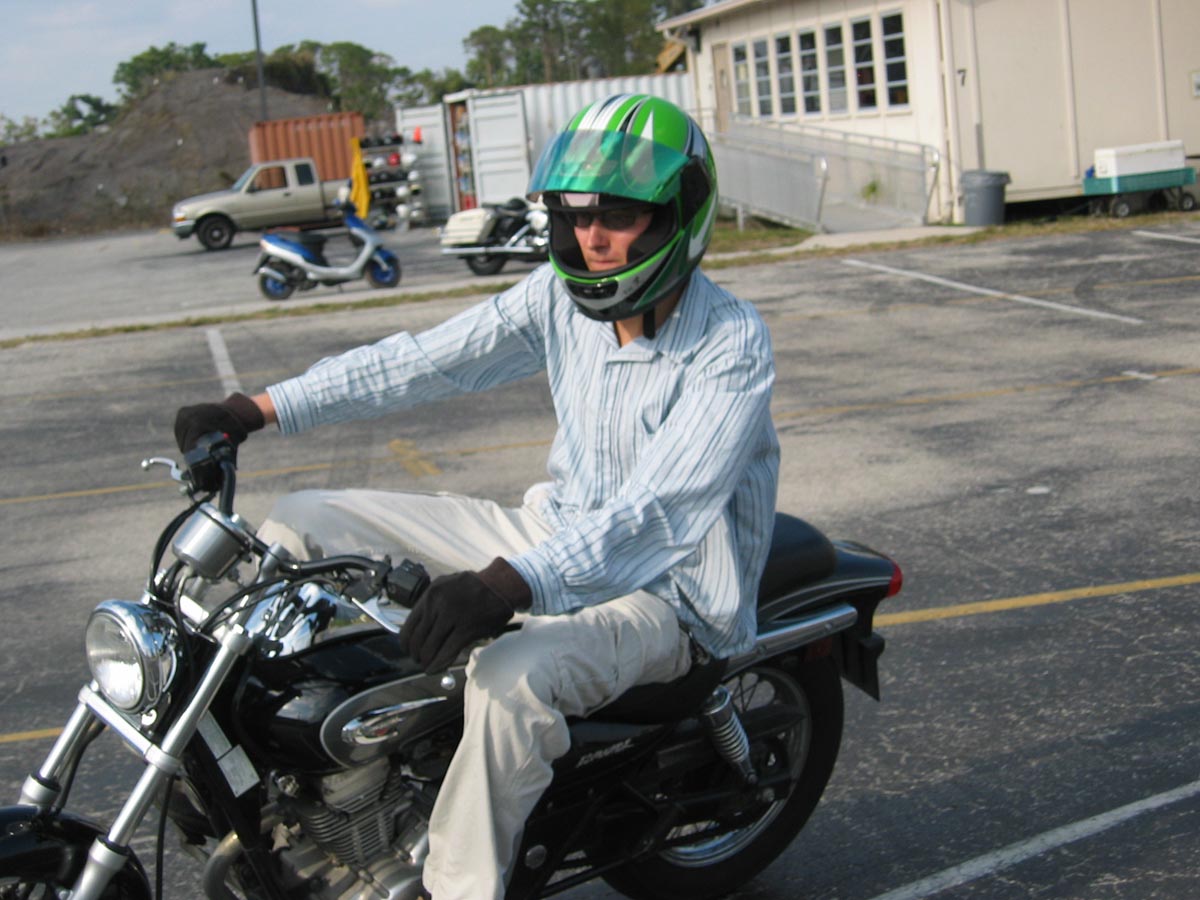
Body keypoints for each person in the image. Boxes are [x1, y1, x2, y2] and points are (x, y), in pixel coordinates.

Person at [174, 93, 780, 900]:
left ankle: (456, 886)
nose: (592, 239)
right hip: (550, 535)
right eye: (575, 217)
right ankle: (268, 767)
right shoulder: (559, 298)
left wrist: (504, 586)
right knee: (302, 519)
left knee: (508, 679)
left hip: (669, 595)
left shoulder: (730, 342)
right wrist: (255, 409)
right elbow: (427, 361)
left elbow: (661, 513)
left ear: (679, 215)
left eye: (619, 216)